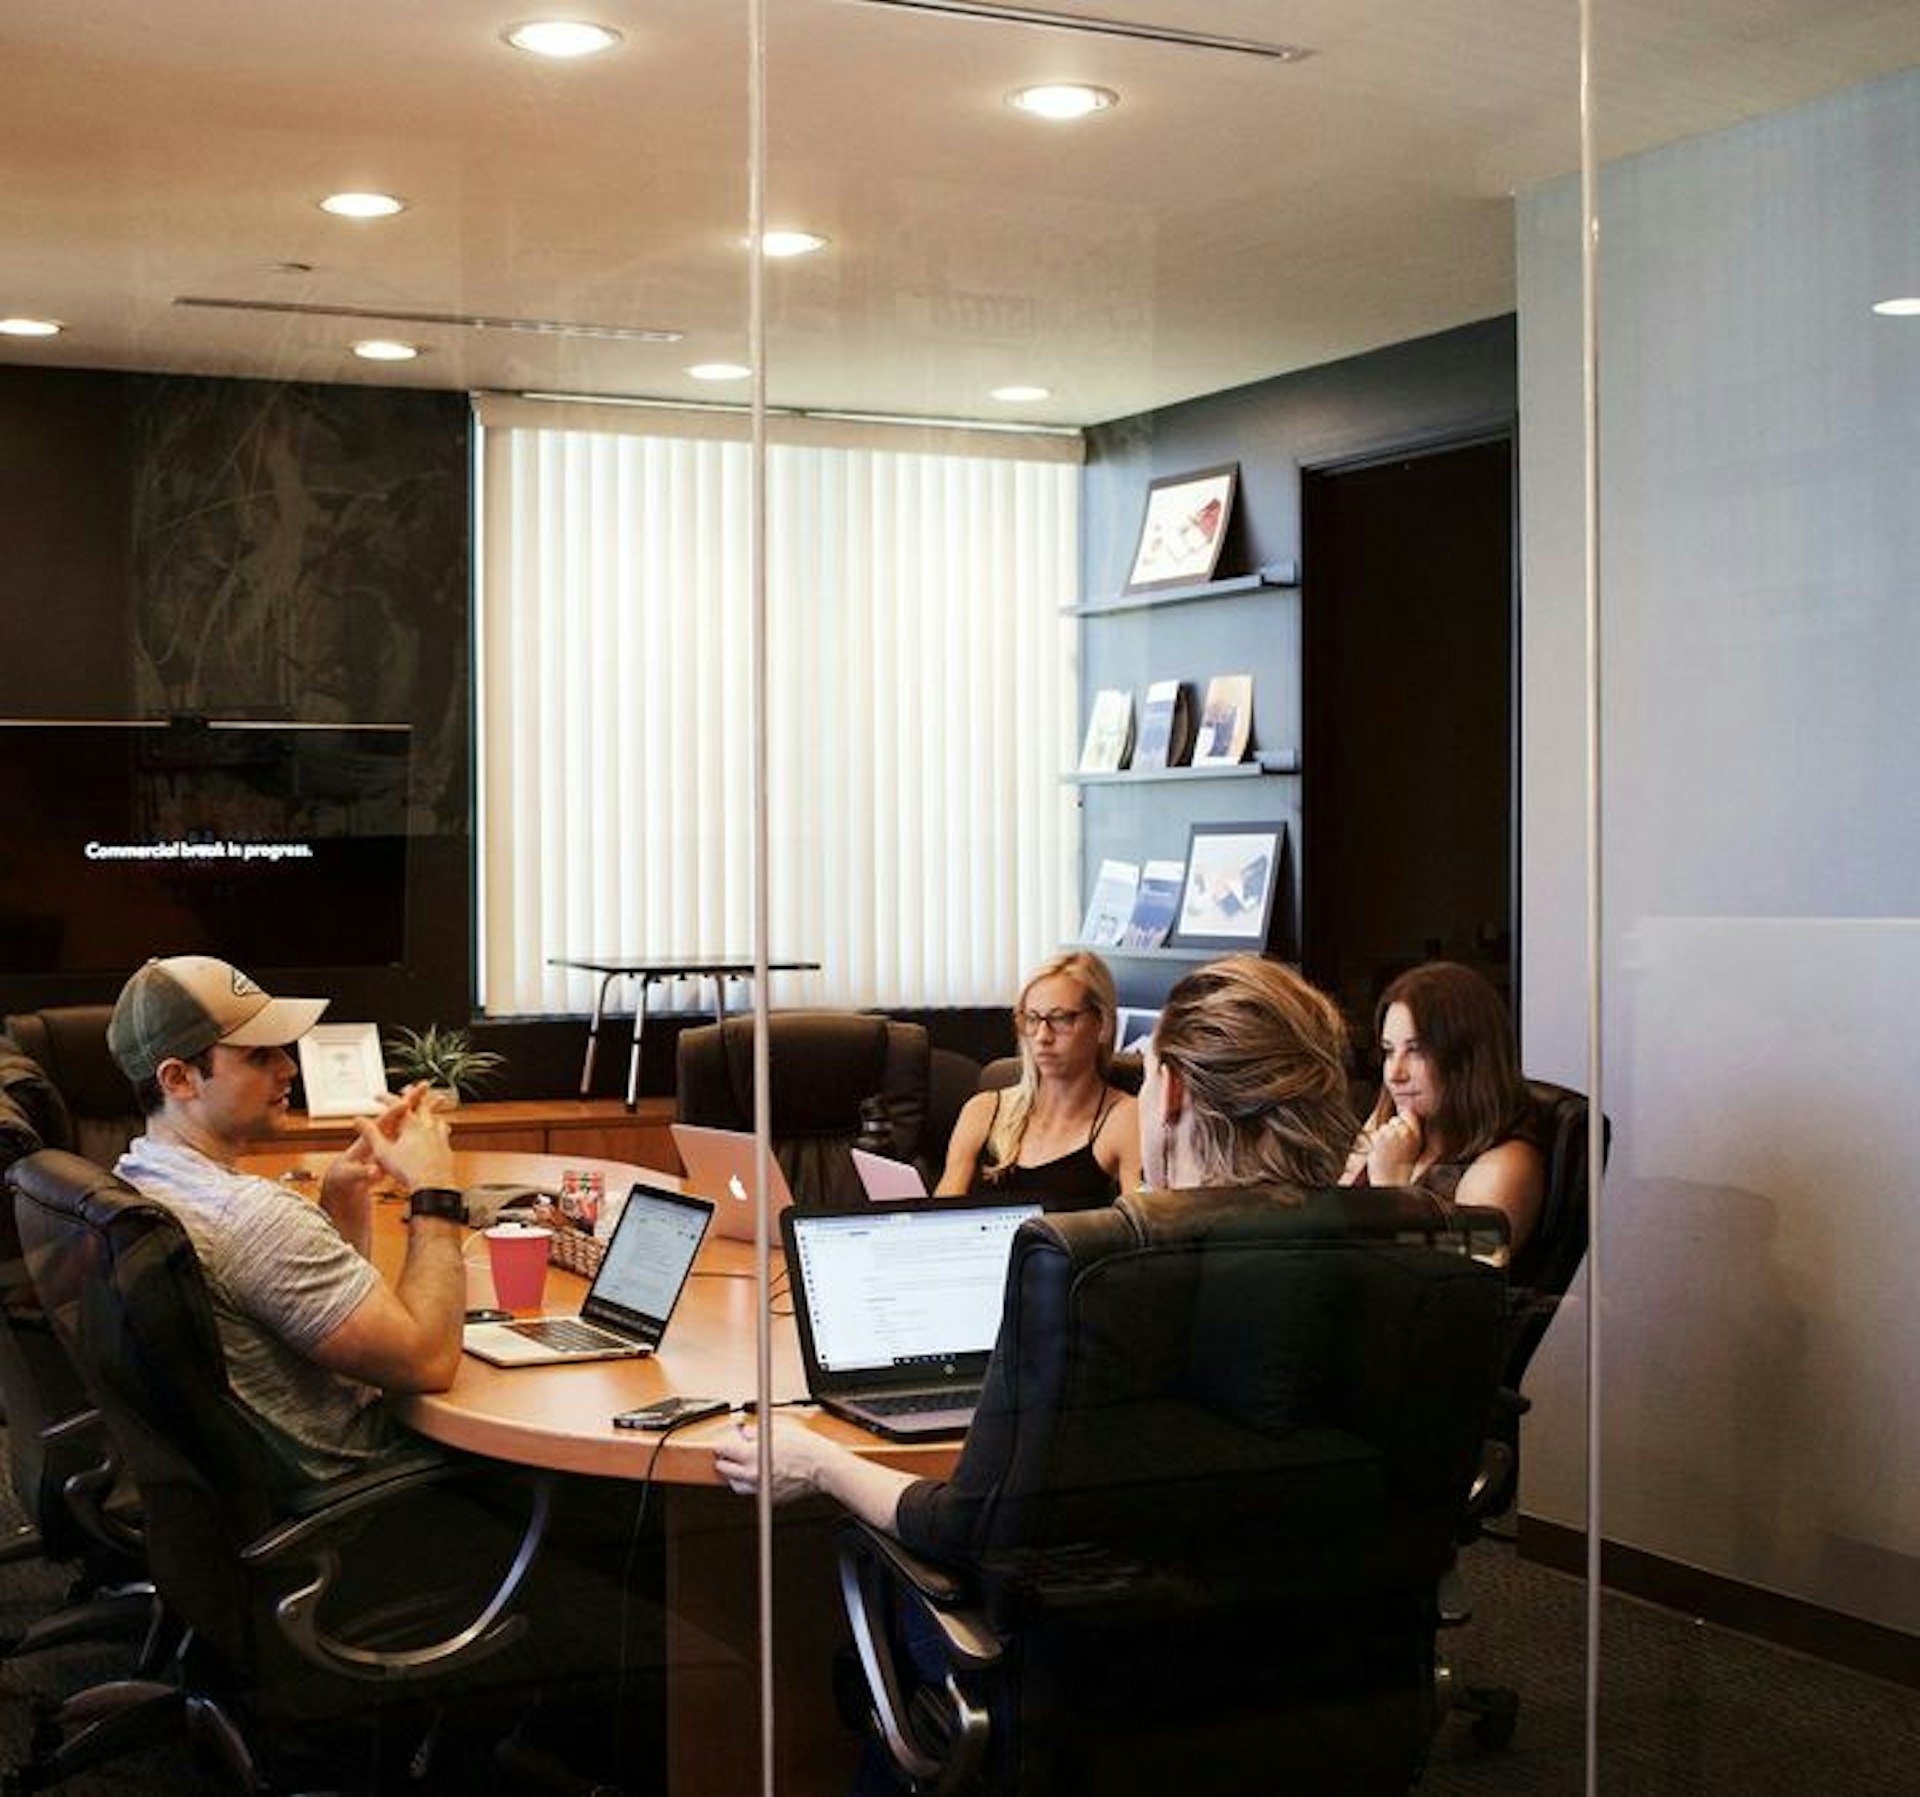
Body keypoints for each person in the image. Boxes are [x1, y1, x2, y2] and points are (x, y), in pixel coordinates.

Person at [715, 954, 1356, 1548]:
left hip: (1104, 1646)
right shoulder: (1402, 1254)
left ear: (1176, 1094)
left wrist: (820, 1462)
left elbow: (966, 1522)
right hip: (1343, 1645)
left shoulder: (1094, 1284)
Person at [108, 954, 469, 1482]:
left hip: (251, 1489)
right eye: (258, 1056)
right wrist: (435, 1190)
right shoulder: (249, 1219)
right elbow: (427, 1362)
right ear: (179, 1078)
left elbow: (306, 1314)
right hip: (370, 1489)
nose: (289, 1067)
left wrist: (341, 1197)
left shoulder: (137, 1173)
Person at [1340, 960, 1545, 1254]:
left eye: (1417, 1051)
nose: (1395, 1074)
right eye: (1388, 1051)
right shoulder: (1395, 1125)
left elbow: (1456, 1279)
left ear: (1467, 1059)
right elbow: (1331, 1234)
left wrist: (1391, 1191)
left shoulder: (1506, 1166)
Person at [936, 949, 1141, 1204]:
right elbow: (940, 1221)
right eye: (1032, 1019)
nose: (1042, 1036)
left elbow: (1144, 1229)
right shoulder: (982, 1111)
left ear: (1102, 1025)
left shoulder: (1125, 1119)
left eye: (1060, 1018)